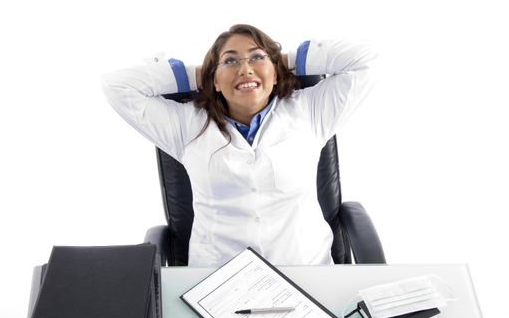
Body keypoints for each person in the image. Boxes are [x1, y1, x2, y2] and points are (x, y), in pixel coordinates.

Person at [103, 24, 376, 267]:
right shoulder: (184, 126)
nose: (245, 68)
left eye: (257, 57)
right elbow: (116, 86)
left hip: (306, 270)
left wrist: (283, 62)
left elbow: (367, 59)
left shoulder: (311, 110)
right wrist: (198, 75)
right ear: (214, 81)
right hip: (218, 280)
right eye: (230, 61)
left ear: (278, 73)